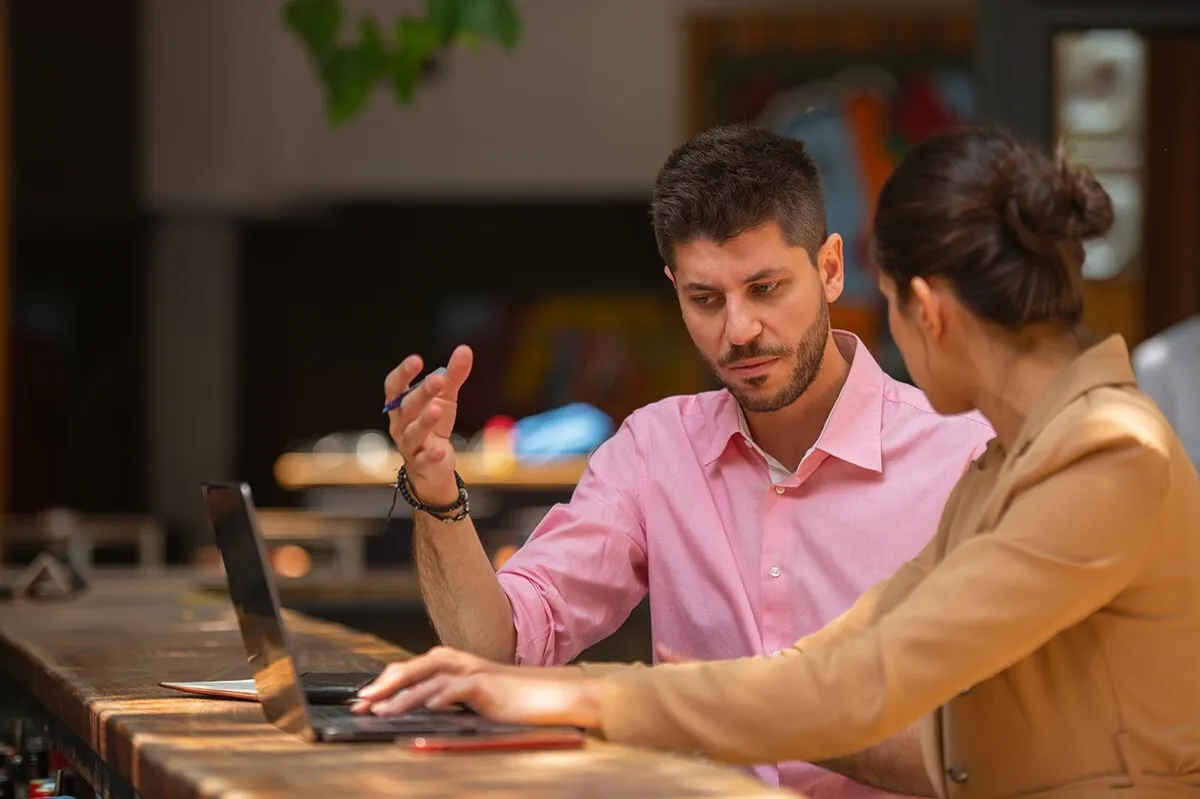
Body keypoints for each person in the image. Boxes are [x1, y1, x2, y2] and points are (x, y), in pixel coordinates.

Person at [358, 126, 1200, 797]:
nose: (739, 329)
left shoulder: (1104, 453)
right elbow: (840, 658)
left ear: (925, 309)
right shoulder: (1031, 456)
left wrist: (585, 697)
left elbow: (863, 683)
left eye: (765, 289)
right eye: (704, 298)